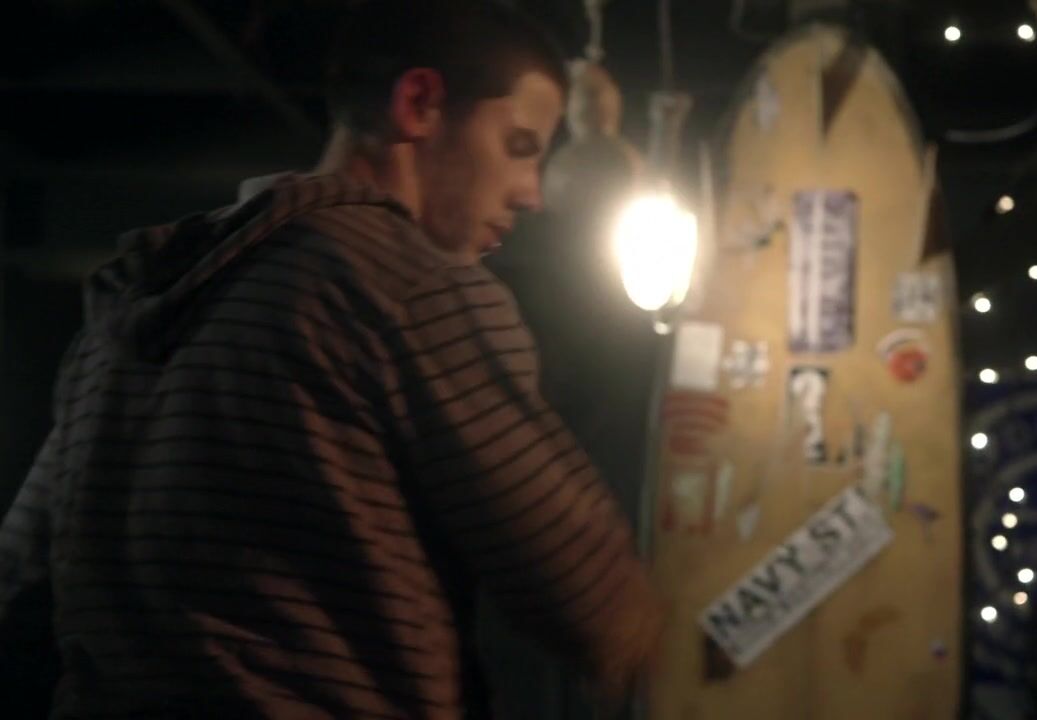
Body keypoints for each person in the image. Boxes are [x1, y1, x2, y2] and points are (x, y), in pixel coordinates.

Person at [0, 1, 664, 717]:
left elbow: (17, 584)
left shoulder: (127, 307)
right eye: (520, 145)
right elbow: (599, 603)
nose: (532, 194)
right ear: (419, 104)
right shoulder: (407, 289)